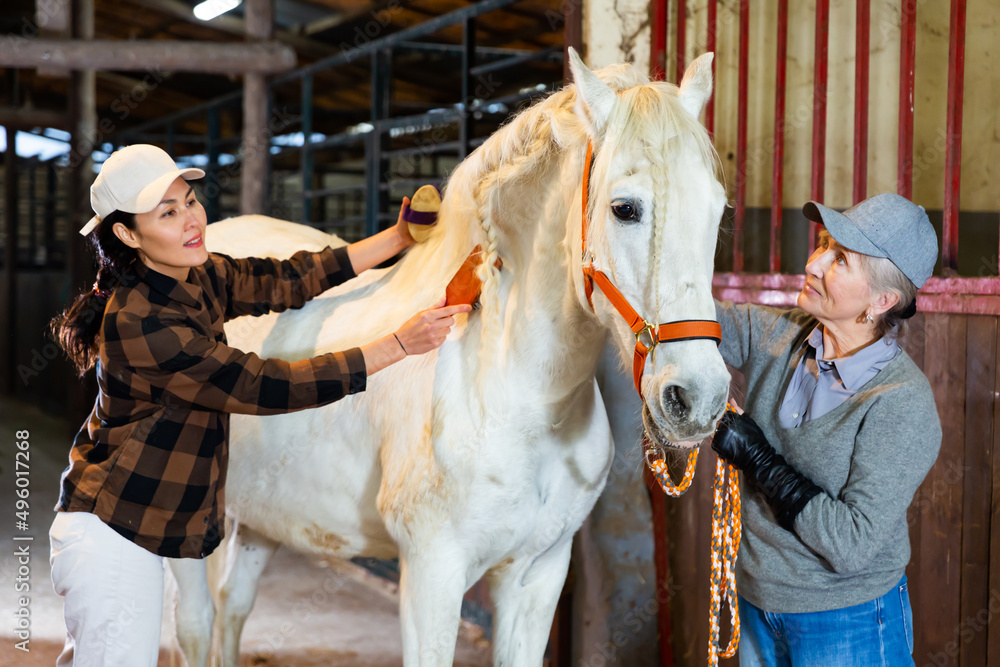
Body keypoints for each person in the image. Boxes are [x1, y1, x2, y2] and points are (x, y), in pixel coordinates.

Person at [46, 144, 470, 666]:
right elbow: (264, 385)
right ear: (127, 235)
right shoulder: (141, 323)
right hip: (112, 534)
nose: (191, 220)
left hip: (135, 528)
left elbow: (287, 279)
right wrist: (397, 346)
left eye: (190, 201)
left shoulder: (192, 278)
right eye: (167, 213)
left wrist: (398, 238)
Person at [710, 193, 942, 666]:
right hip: (756, 603)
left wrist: (759, 461)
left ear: (881, 301)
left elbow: (852, 544)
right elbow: (688, 322)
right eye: (822, 244)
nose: (813, 264)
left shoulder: (901, 402)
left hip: (847, 620)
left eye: (840, 259)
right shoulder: (778, 335)